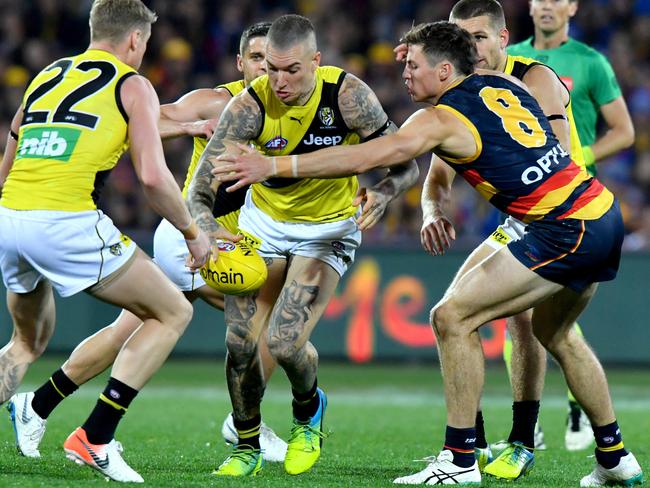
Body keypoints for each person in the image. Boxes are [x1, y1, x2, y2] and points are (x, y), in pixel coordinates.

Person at [214, 21, 644, 487]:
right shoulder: (499, 82)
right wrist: (431, 46)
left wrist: (272, 165)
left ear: (443, 71)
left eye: (413, 65)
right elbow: (468, 106)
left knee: (451, 318)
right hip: (598, 210)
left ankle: (459, 460)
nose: (404, 73)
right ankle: (614, 456)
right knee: (554, 333)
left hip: (562, 227)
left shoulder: (437, 119)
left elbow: (368, 157)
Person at [4, 21, 289, 465]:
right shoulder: (219, 99)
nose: (268, 70)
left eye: (276, 61)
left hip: (228, 238)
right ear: (240, 64)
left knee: (131, 329)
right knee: (265, 320)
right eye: (257, 59)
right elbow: (150, 118)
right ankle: (243, 422)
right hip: (190, 236)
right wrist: (195, 124)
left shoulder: (296, 109)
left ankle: (36, 404)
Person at [187, 14, 419, 477]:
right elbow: (198, 190)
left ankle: (308, 411)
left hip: (327, 230)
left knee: (286, 343)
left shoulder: (348, 97)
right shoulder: (249, 106)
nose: (280, 80)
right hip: (264, 226)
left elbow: (406, 164)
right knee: (240, 344)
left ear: (316, 60)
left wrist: (383, 192)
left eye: (291, 70)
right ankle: (246, 446)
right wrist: (205, 229)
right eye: (271, 69)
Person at [0, 0, 211, 483]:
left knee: (25, 344)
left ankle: (34, 408)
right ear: (136, 40)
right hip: (65, 221)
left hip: (11, 216)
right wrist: (193, 234)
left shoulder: (49, 74)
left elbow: (9, 158)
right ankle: (95, 437)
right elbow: (155, 179)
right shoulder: (133, 83)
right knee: (173, 311)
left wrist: (185, 127)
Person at [415, 0, 587, 479]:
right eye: (459, 38)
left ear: (503, 39)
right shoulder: (461, 93)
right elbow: (436, 179)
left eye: (479, 37)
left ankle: (522, 440)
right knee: (451, 314)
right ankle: (472, 443)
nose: (470, 47)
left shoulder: (535, 80)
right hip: (519, 217)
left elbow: (560, 156)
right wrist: (433, 211)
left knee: (524, 322)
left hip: (566, 217)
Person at [508, 0, 635, 451]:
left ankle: (575, 406)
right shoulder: (509, 58)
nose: (546, 5)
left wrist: (582, 156)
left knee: (549, 315)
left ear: (572, 7)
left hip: (572, 201)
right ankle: (528, 426)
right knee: (517, 312)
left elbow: (624, 130)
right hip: (520, 197)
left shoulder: (591, 63)